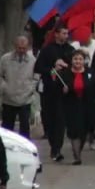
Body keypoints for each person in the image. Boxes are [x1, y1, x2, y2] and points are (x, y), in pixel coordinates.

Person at [33, 23, 73, 161]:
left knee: (61, 120)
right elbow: (38, 67)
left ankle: (57, 149)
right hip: (49, 90)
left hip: (63, 91)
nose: (65, 36)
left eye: (67, 34)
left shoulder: (70, 50)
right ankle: (52, 143)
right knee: (50, 119)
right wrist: (52, 69)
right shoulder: (47, 50)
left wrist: (66, 67)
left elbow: (75, 68)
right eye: (63, 33)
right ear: (56, 34)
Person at [54, 50, 95, 165]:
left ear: (84, 61)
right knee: (74, 131)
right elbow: (56, 88)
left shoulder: (91, 73)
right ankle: (77, 156)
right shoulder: (64, 73)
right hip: (70, 106)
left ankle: (78, 149)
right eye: (75, 59)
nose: (78, 61)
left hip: (86, 106)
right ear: (71, 60)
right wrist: (63, 90)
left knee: (83, 131)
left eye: (80, 59)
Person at [0, 35, 36, 138]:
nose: (21, 50)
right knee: (7, 128)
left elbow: (37, 77)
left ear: (27, 47)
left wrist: (31, 89)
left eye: (24, 48)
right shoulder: (5, 59)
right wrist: (4, 87)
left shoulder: (32, 60)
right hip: (8, 99)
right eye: (19, 48)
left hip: (25, 99)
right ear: (15, 46)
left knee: (25, 128)